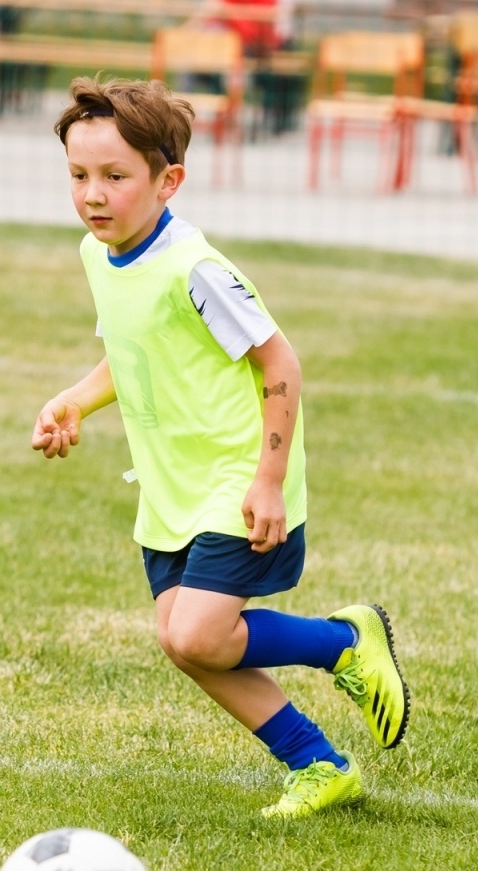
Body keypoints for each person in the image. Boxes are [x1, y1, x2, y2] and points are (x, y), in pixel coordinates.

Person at [32, 77, 410, 820]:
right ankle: (320, 766)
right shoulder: (98, 253)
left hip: (238, 478)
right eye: (79, 176)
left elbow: (281, 365)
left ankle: (342, 642)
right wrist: (74, 401)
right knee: (185, 644)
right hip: (173, 484)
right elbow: (131, 351)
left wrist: (268, 481)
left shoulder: (196, 270)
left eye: (115, 177)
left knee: (199, 633)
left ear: (168, 180)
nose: (93, 195)